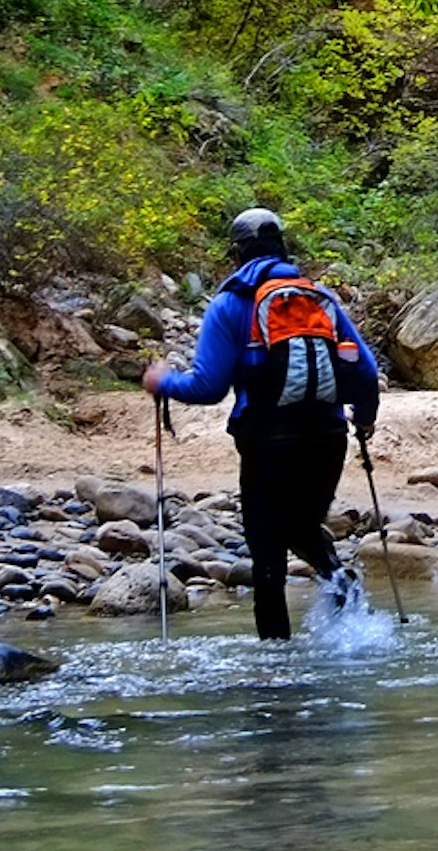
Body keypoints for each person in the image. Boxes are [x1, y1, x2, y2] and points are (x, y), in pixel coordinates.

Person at [146, 206, 383, 638]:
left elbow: (208, 387)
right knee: (301, 526)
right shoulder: (320, 298)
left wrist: (163, 382)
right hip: (328, 437)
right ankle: (341, 583)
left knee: (268, 551)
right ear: (283, 248)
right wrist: (363, 422)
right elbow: (365, 372)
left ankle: (274, 669)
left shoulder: (230, 303)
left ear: (237, 252)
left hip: (266, 441)